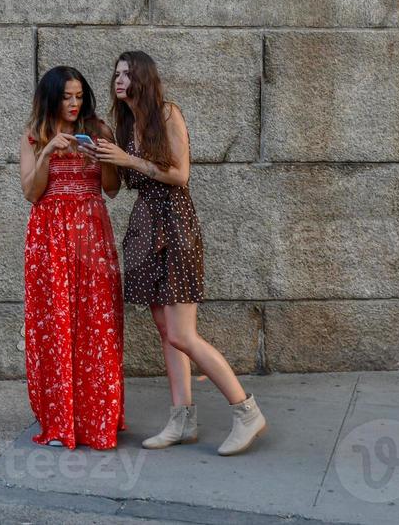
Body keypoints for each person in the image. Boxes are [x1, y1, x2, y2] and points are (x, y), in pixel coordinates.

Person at [90, 50, 267, 456]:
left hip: (174, 225)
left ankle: (246, 411)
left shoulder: (167, 114)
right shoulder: (126, 124)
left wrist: (128, 157)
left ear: (144, 79)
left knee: (183, 333)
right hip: (144, 227)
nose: (119, 80)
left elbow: (180, 174)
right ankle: (182, 419)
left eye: (127, 74)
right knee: (167, 332)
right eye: (116, 74)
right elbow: (115, 189)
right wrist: (103, 154)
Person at [18, 66, 126, 450]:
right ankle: (60, 418)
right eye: (66, 96)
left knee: (97, 323)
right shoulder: (33, 136)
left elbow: (111, 190)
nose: (74, 103)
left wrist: (104, 156)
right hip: (49, 238)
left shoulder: (98, 130)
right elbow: (32, 193)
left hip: (91, 233)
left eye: (79, 96)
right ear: (51, 98)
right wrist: (48, 150)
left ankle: (97, 417)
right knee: (56, 323)